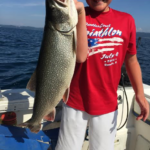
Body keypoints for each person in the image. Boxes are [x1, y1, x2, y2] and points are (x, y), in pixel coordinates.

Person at [55, 0, 149, 150]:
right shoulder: (72, 14)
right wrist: (77, 11)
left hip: (107, 102)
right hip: (74, 99)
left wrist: (140, 94)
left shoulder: (127, 20)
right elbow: (80, 57)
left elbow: (131, 61)